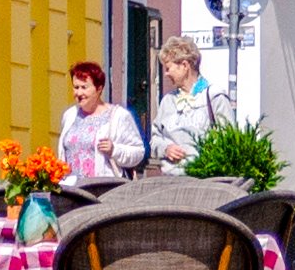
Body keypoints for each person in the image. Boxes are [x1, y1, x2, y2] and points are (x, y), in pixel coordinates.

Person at [58, 56, 143, 183]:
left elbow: (138, 152)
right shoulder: (70, 115)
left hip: (103, 188)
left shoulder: (118, 116)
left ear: (99, 89)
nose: (79, 93)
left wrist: (114, 150)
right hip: (72, 189)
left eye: (84, 87)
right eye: (76, 87)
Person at [147, 34, 219, 169]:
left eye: (168, 68)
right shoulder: (167, 102)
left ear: (184, 66)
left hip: (205, 180)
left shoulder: (214, 97)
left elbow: (229, 140)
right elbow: (154, 140)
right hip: (172, 181)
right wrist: (166, 148)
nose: (166, 74)